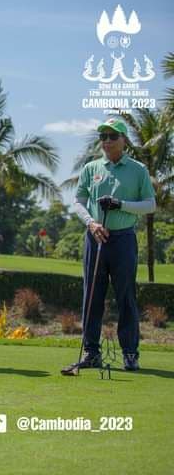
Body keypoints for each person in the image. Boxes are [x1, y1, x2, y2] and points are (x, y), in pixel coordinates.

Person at [72, 118, 156, 371]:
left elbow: (150, 204)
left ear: (124, 140)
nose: (107, 141)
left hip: (123, 239)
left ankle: (130, 353)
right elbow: (78, 201)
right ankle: (91, 353)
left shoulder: (138, 170)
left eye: (112, 136)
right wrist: (91, 223)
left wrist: (121, 205)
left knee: (126, 297)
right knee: (91, 297)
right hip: (95, 237)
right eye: (103, 137)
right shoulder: (92, 168)